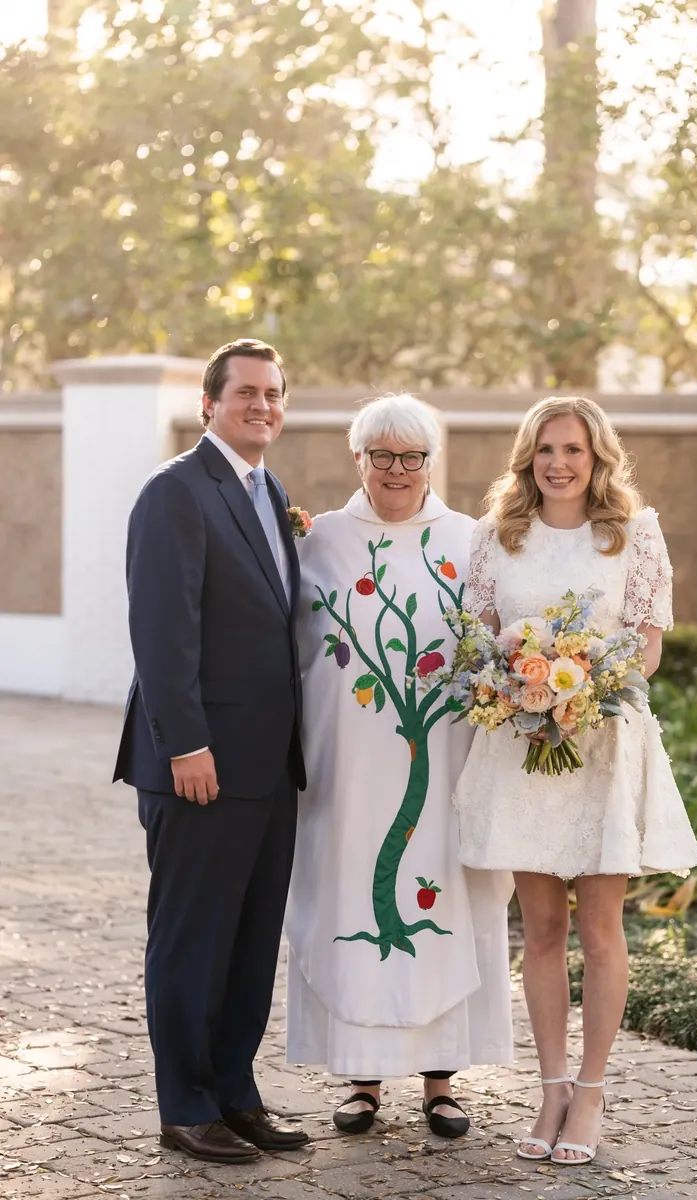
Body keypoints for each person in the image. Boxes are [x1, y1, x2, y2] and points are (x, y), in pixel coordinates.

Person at [454, 395, 697, 1165]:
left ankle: (591, 1092)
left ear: (597, 457)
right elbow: (477, 641)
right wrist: (522, 686)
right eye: (545, 450)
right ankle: (551, 1086)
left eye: (574, 450)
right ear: (527, 457)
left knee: (599, 931)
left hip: (602, 748)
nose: (559, 464)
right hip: (525, 748)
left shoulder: (631, 534)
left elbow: (648, 649)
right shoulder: (499, 538)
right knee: (542, 932)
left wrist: (581, 689)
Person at [285, 394, 514, 1138]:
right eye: (380, 456)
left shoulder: (472, 541)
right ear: (358, 459)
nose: (396, 471)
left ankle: (442, 1082)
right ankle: (361, 1081)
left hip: (441, 766)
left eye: (411, 457)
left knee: (440, 901)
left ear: (430, 463)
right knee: (356, 900)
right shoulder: (319, 542)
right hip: (345, 772)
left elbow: (493, 650)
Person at [113, 339, 309, 1164]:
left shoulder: (271, 492)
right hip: (199, 766)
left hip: (269, 767)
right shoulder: (175, 493)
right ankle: (184, 1105)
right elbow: (162, 635)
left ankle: (235, 1092)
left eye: (273, 394)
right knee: (192, 939)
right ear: (210, 404)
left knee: (251, 940)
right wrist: (186, 744)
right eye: (246, 394)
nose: (261, 406)